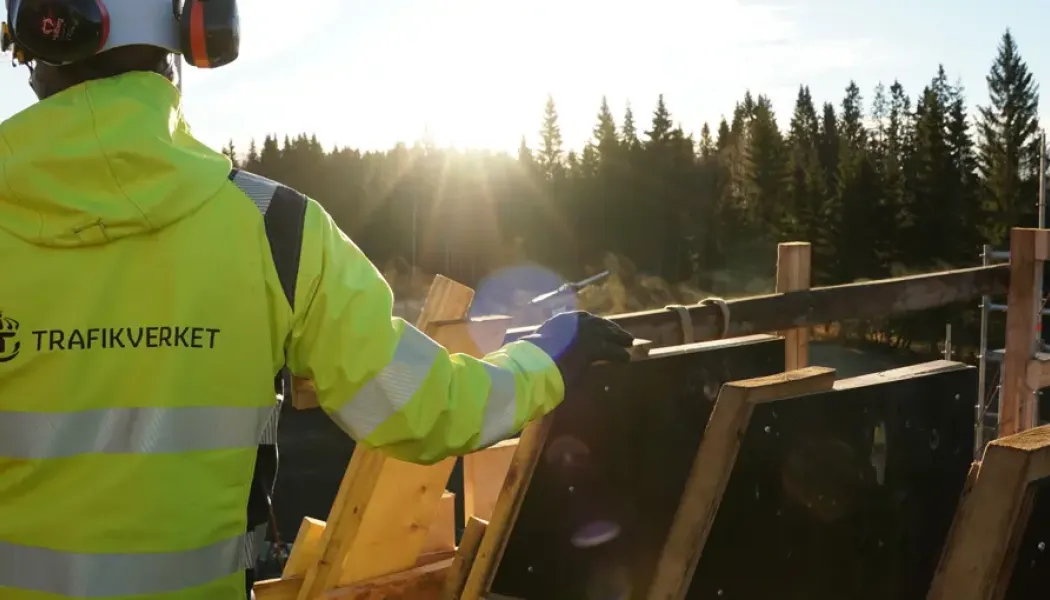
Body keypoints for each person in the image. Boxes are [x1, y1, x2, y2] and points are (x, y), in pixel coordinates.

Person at [0, 1, 636, 599]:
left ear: (34, 35)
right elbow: (421, 409)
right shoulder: (275, 227)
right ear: (193, 30)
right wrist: (547, 359)